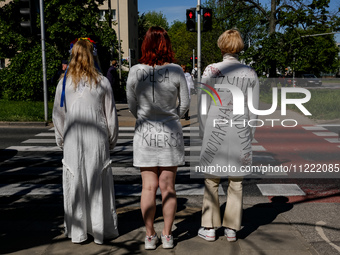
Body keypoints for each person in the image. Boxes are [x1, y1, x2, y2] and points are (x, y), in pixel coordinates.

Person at [126, 26, 190, 250]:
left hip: (145, 132)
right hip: (169, 132)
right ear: (167, 44)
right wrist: (172, 116)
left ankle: (150, 234)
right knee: (168, 187)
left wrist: (143, 117)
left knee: (148, 188)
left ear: (145, 44)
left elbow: (131, 103)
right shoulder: (175, 71)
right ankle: (167, 235)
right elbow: (185, 104)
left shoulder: (136, 71)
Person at [52, 38, 119, 244]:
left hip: (73, 136)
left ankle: (78, 231)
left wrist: (61, 138)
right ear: (93, 55)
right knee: (97, 180)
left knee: (76, 180)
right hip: (96, 136)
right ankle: (99, 229)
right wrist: (112, 139)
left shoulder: (64, 83)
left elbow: (58, 115)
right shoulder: (102, 82)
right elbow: (111, 115)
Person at [197, 29, 259, 242]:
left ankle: (210, 227)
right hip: (240, 129)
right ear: (240, 46)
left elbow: (203, 104)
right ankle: (231, 229)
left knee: (211, 180)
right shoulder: (250, 73)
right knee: (236, 182)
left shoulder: (211, 70)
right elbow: (254, 108)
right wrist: (251, 133)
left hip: (215, 128)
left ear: (222, 45)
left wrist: (203, 129)